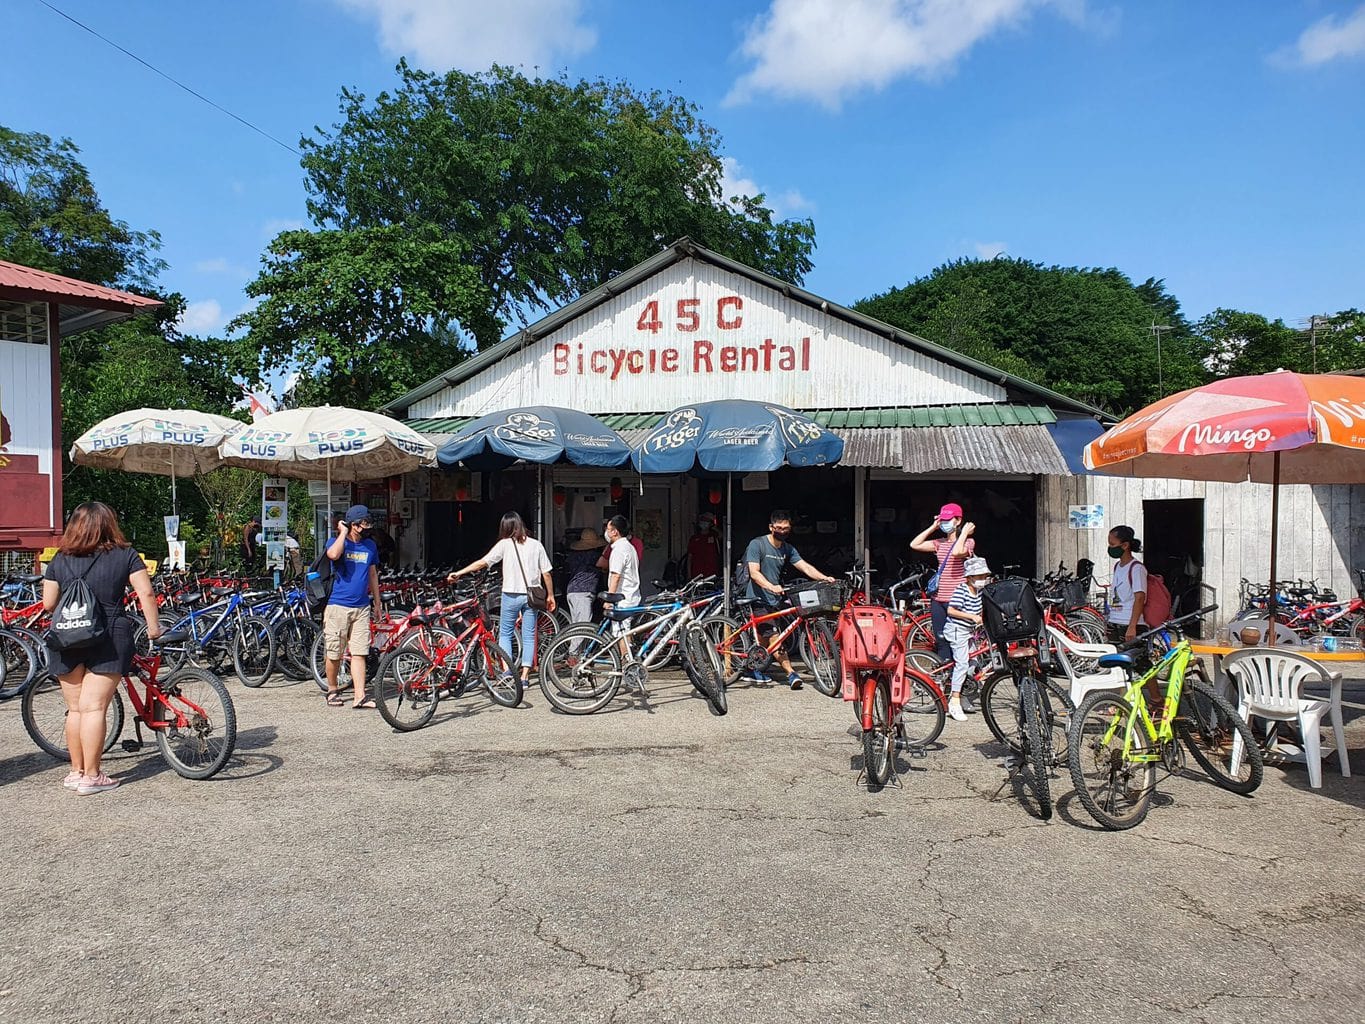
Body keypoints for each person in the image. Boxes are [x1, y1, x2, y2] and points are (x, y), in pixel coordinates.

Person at [41, 501, 161, 794]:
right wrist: (154, 628)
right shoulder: (125, 554)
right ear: (110, 524)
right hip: (109, 634)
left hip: (67, 637)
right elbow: (144, 590)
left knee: (76, 709)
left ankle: (76, 772)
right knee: (94, 707)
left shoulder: (61, 557)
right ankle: (93, 776)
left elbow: (48, 604)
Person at [448, 511, 556, 690]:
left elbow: (483, 562)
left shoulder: (505, 545)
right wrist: (550, 595)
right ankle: (524, 676)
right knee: (529, 635)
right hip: (531, 597)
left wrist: (459, 573)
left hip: (510, 595)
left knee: (505, 633)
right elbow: (546, 572)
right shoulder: (536, 545)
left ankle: (507, 672)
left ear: (505, 527)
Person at [744, 510, 838, 690]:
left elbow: (804, 567)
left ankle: (752, 667)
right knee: (774, 637)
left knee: (765, 639)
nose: (782, 531)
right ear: (771, 527)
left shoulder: (787, 548)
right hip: (758, 598)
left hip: (775, 599)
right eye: (779, 528)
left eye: (786, 528)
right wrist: (771, 586)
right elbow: (754, 572)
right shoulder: (757, 544)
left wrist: (824, 578)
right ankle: (791, 673)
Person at [323, 504, 384, 709]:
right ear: (354, 525)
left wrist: (377, 601)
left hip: (362, 606)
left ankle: (360, 695)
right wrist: (342, 533)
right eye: (364, 523)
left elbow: (373, 574)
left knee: (360, 651)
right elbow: (332, 555)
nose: (368, 526)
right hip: (338, 606)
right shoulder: (337, 542)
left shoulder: (370, 546)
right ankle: (332, 689)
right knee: (335, 652)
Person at [911, 503, 976, 663]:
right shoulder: (938, 543)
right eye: (943, 519)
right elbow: (914, 544)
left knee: (959, 640)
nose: (945, 523)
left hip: (959, 600)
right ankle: (946, 676)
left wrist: (964, 533)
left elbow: (956, 552)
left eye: (948, 519)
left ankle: (961, 677)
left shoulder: (968, 542)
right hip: (939, 599)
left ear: (958, 520)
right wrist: (933, 527)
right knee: (941, 639)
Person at [944, 556, 992, 722]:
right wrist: (971, 616)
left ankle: (963, 694)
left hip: (971, 632)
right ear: (969, 577)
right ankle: (954, 701)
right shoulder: (961, 590)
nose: (982, 580)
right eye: (979, 577)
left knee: (973, 663)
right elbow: (951, 610)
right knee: (962, 663)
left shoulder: (979, 591)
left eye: (984, 576)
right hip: (957, 630)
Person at [1107, 525, 1147, 643]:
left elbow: (1139, 598)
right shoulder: (1117, 567)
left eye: (1112, 544)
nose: (1110, 548)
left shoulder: (1136, 568)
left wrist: (1132, 626)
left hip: (1129, 623)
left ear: (1125, 545)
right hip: (1115, 621)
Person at [565, 527, 604, 630]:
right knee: (583, 628)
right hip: (583, 592)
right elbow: (606, 564)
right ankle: (576, 647)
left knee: (576, 626)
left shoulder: (573, 555)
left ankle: (576, 646)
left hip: (572, 591)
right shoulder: (592, 555)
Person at [685, 512, 722, 581]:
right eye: (702, 520)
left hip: (711, 574)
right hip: (697, 574)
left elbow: (721, 535)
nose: (704, 522)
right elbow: (689, 558)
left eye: (706, 521)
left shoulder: (714, 536)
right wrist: (689, 575)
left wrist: (714, 527)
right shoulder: (694, 538)